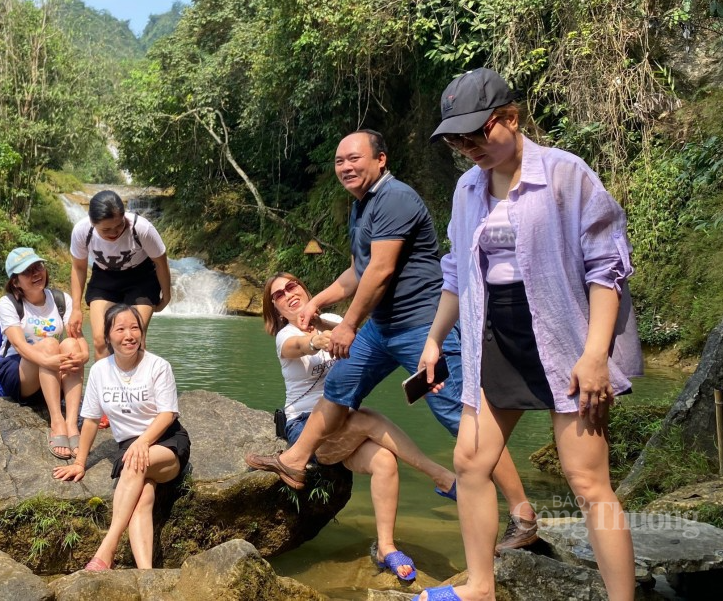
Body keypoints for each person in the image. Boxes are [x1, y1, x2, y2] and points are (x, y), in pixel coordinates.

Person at [246, 130, 538, 552]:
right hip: (382, 327)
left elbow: (381, 272)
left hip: (421, 324)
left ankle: (522, 513)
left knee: (461, 416)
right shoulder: (360, 207)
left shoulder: (395, 199)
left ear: (380, 160)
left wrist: (346, 325)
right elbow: (357, 271)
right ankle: (293, 461)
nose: (345, 166)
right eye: (339, 160)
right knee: (340, 385)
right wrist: (320, 302)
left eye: (354, 158)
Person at [412, 68, 643, 601]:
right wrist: (433, 339)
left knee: (586, 480)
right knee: (471, 463)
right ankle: (480, 586)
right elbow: (456, 275)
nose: (468, 148)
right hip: (496, 335)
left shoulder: (566, 174)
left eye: (476, 135)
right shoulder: (467, 189)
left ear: (510, 119)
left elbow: (606, 269)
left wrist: (594, 355)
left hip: (565, 334)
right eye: (456, 141)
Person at [264, 272, 458, 583]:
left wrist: (328, 325)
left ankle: (385, 547)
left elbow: (362, 343)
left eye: (292, 286)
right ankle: (442, 476)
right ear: (275, 308)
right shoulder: (283, 336)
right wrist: (316, 339)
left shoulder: (328, 316)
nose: (288, 295)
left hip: (344, 428)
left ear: (304, 288)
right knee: (365, 416)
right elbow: (300, 346)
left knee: (384, 461)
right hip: (307, 429)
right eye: (278, 295)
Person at [52, 303, 190, 571]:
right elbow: (91, 419)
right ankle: (146, 574)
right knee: (143, 497)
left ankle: (106, 550)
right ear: (107, 335)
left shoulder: (158, 366)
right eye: (121, 329)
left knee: (135, 462)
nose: (129, 335)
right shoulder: (101, 371)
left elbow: (167, 414)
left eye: (135, 328)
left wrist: (142, 442)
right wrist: (80, 462)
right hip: (131, 447)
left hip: (165, 442)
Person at [0, 247, 90, 460]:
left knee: (71, 345)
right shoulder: (8, 303)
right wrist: (48, 359)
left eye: (38, 266)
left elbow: (78, 336)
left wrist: (84, 355)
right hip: (18, 372)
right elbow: (19, 345)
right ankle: (57, 422)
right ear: (16, 282)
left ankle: (72, 424)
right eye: (27, 271)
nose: (36, 273)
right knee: (49, 344)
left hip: (52, 373)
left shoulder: (60, 299)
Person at [68, 190, 171, 363]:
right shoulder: (82, 231)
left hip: (141, 278)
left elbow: (160, 262)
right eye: (106, 229)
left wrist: (166, 296)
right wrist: (76, 308)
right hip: (104, 278)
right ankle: (104, 388)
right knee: (101, 340)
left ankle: (136, 388)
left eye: (119, 226)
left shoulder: (142, 228)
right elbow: (79, 268)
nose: (114, 233)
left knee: (133, 340)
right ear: (93, 223)